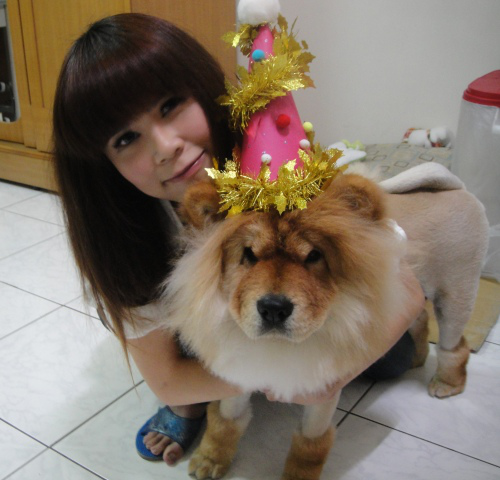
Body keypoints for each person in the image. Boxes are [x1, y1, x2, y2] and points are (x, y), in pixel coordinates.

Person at [52, 13, 425, 467]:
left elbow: (409, 291)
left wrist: (328, 375)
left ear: (203, 88)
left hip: (318, 315)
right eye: (126, 137)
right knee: (189, 343)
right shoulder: (124, 233)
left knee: (393, 359)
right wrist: (267, 379)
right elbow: (166, 379)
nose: (166, 146)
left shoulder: (282, 160)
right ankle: (196, 405)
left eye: (170, 105)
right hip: (215, 323)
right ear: (102, 163)